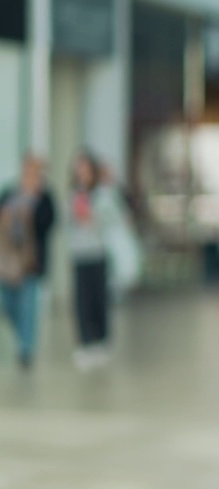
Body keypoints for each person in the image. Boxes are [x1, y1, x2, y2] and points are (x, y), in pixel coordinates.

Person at [66, 151, 134, 370]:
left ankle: (101, 341)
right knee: (81, 301)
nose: (82, 174)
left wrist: (95, 216)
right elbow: (67, 222)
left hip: (98, 252)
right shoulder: (74, 195)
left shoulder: (103, 195)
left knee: (98, 299)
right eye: (79, 170)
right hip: (79, 254)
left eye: (86, 170)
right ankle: (85, 342)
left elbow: (116, 217)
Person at [0, 154, 57, 370]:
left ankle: (25, 348)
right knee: (8, 304)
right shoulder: (9, 193)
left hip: (30, 262)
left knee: (28, 307)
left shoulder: (44, 198)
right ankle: (21, 334)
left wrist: (30, 216)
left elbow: (49, 223)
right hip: (7, 261)